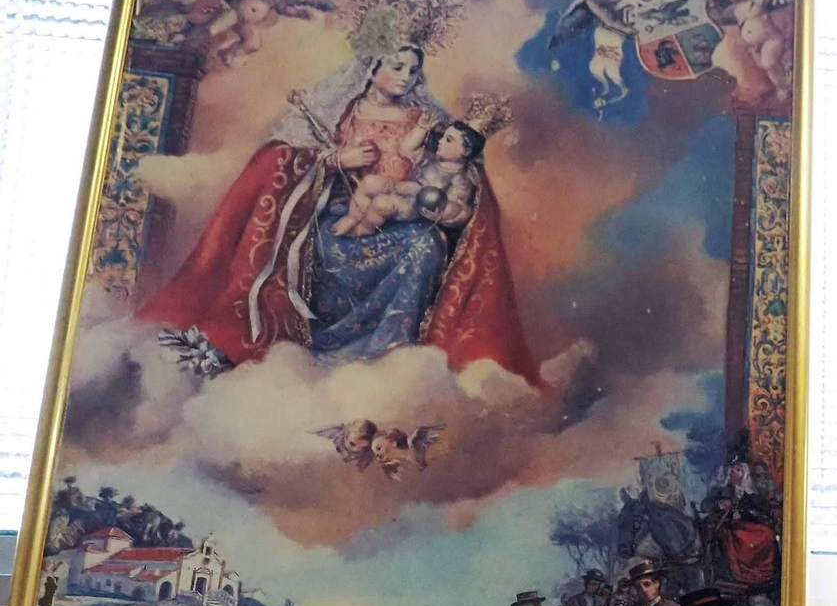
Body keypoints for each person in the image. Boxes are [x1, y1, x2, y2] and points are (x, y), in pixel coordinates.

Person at [137, 43, 541, 383]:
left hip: (399, 218)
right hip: (332, 217)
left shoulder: (424, 120)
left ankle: (391, 359)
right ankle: (310, 356)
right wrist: (333, 160)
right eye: (396, 66)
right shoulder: (339, 111)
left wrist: (449, 207)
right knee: (328, 244)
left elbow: (451, 168)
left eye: (413, 70)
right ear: (371, 66)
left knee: (427, 245)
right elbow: (281, 157)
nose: (405, 77)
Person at [332, 117, 483, 237]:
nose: (440, 142)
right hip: (401, 188)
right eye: (443, 137)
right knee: (370, 181)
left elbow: (459, 210)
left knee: (381, 203)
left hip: (414, 207)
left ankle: (363, 229)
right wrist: (423, 127)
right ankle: (352, 218)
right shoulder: (431, 159)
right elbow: (407, 148)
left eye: (449, 140)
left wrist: (440, 214)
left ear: (466, 151)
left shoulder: (460, 179)